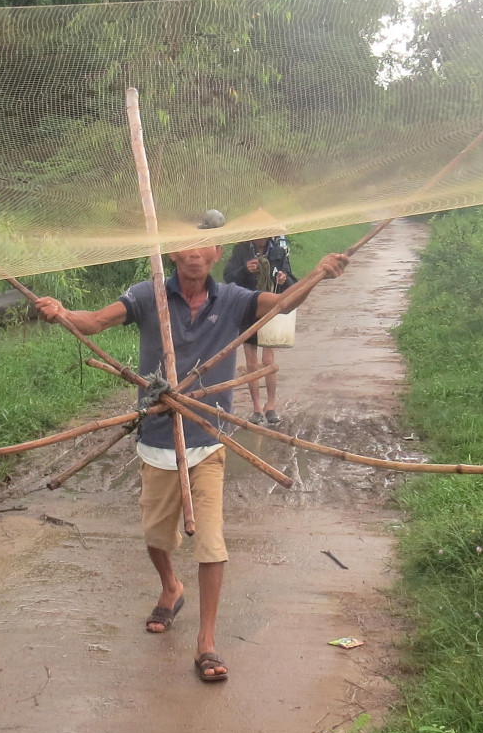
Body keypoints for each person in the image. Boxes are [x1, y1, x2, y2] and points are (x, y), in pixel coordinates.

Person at [36, 240, 349, 682]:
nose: (195, 255)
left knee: (211, 542)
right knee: (155, 534)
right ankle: (170, 585)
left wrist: (317, 274)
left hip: (208, 441)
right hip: (157, 437)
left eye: (203, 248)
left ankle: (206, 642)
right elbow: (97, 322)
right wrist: (63, 313)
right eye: (185, 248)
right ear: (173, 255)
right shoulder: (149, 296)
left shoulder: (235, 299)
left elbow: (281, 305)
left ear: (216, 252)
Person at [223, 236, 294, 424]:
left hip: (270, 307)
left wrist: (283, 279)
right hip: (247, 306)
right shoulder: (241, 250)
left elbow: (292, 280)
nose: (260, 239)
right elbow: (228, 277)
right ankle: (256, 408)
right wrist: (244, 270)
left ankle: (271, 406)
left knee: (268, 360)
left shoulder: (278, 252)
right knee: (251, 362)